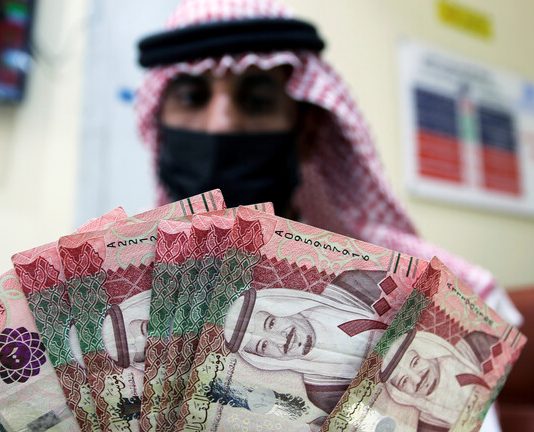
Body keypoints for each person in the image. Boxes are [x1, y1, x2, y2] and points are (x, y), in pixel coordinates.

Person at [223, 269, 389, 414]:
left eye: (271, 323)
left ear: (283, 307)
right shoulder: (323, 393)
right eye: (264, 345)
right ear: (266, 359)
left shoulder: (351, 286)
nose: (282, 340)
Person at [380, 329, 498, 431]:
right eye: (404, 381)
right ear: (401, 393)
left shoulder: (478, 345)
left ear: (427, 352)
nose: (418, 379)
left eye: (415, 362)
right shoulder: (428, 428)